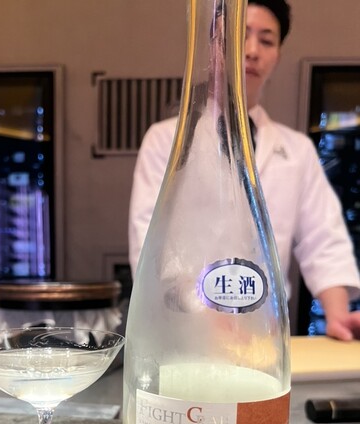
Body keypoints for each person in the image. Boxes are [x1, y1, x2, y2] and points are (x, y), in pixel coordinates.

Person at [129, 0, 360, 341]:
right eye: (240, 36)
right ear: (214, 44)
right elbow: (151, 245)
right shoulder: (166, 140)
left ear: (278, 54)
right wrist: (204, 313)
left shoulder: (296, 150)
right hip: (184, 334)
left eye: (266, 41)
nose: (252, 51)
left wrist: (338, 316)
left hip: (264, 335)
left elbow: (324, 239)